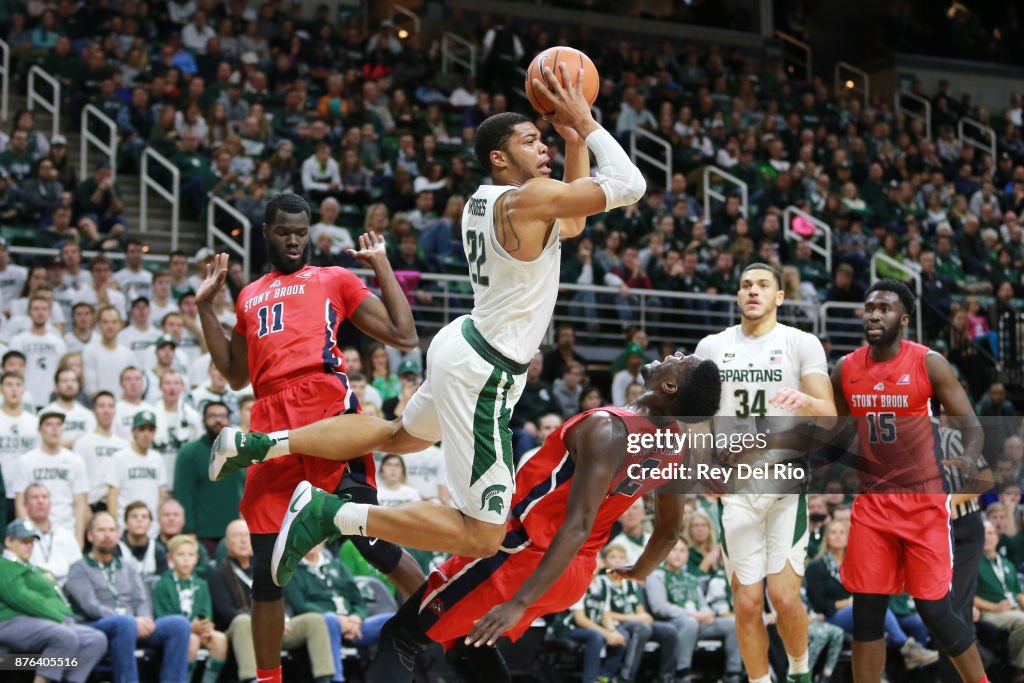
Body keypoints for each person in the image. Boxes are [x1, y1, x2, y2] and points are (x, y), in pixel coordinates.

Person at [214, 67, 647, 590]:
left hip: (462, 343)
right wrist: (587, 121)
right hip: (485, 368)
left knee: (400, 438)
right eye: (531, 141)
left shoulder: (485, 201)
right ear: (499, 157)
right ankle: (333, 514)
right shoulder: (528, 199)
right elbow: (628, 185)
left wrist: (574, 139)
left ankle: (265, 444)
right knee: (485, 534)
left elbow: (573, 219)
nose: (544, 148)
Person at [361, 353, 721, 682]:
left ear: (669, 386)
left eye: (682, 359)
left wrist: (519, 601)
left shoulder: (605, 427)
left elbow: (577, 523)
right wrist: (639, 572)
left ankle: (351, 516)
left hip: (526, 556)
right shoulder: (678, 448)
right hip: (571, 573)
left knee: (402, 636)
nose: (674, 354)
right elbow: (670, 530)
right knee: (469, 643)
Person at [195, 191, 425, 683]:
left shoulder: (335, 279)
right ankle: (268, 679)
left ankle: (445, 628)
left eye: (301, 231)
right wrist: (203, 309)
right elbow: (236, 374)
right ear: (267, 233)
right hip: (269, 417)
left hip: (325, 405)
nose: (295, 240)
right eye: (284, 232)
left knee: (371, 540)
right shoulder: (248, 293)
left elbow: (404, 335)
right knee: (264, 569)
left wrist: (382, 264)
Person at [832, 278, 989, 682]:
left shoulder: (928, 362)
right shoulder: (845, 368)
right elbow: (831, 429)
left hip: (923, 503)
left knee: (935, 610)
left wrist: (967, 460)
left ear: (903, 318)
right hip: (873, 503)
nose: (873, 315)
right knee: (867, 611)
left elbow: (970, 425)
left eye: (883, 308)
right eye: (869, 308)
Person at [694, 262, 836, 683]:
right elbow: (698, 420)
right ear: (738, 295)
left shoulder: (801, 343)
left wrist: (805, 401)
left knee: (784, 598)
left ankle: (799, 673)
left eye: (762, 285)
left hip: (784, 484)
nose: (752, 291)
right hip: (735, 487)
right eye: (745, 285)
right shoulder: (711, 347)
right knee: (747, 604)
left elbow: (829, 415)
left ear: (780, 296)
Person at [65, 511, 192, 683]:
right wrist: (131, 620)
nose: (107, 535)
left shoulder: (127, 567)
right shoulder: (78, 569)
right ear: (90, 536)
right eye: (101, 530)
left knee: (179, 624)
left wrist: (145, 619)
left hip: (133, 624)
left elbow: (141, 599)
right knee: (124, 624)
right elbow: (91, 606)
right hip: (97, 625)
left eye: (111, 530)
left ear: (118, 535)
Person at [208, 519, 336, 683]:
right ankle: (252, 679)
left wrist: (284, 618)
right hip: (242, 631)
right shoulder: (219, 574)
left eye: (247, 536)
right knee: (242, 621)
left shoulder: (267, 567)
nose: (243, 541)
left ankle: (325, 678)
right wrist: (266, 620)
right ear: (227, 543)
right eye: (237, 536)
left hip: (275, 627)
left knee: (314, 620)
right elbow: (228, 613)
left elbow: (286, 600)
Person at [805, 520, 938, 669]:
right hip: (831, 617)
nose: (837, 536)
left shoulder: (855, 563)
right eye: (833, 532)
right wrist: (847, 603)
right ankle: (907, 648)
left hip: (860, 611)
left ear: (848, 537)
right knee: (871, 609)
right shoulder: (816, 567)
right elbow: (818, 604)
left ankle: (912, 666)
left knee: (909, 620)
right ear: (826, 538)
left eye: (842, 532)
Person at [0, 518, 106, 683]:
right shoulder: (4, 565)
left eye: (31, 542)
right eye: (23, 541)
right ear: (9, 541)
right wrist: (57, 617)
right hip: (9, 621)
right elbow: (20, 597)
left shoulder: (33, 569)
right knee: (63, 636)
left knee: (95, 639)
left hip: (37, 621)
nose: (29, 546)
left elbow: (52, 597)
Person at [283, 542, 395, 681]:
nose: (313, 542)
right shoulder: (292, 571)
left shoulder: (337, 566)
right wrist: (338, 619)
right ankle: (336, 678)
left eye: (317, 537)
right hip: (322, 625)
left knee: (394, 620)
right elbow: (300, 605)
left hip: (354, 626)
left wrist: (356, 617)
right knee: (330, 619)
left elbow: (358, 600)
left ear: (324, 540)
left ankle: (397, 676)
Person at [646, 539, 743, 683]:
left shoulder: (690, 578)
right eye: (673, 550)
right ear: (665, 553)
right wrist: (691, 614)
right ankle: (681, 672)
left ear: (687, 556)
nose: (678, 555)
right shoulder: (656, 576)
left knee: (733, 623)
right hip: (672, 623)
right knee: (689, 623)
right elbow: (659, 607)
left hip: (697, 622)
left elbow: (702, 604)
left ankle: (733, 673)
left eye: (682, 551)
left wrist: (706, 613)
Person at [152, 534, 228, 683]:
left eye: (190, 555)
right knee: (191, 640)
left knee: (220, 639)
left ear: (196, 558)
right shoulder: (162, 584)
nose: (186, 559)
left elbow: (206, 612)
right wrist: (190, 627)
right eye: (180, 554)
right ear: (170, 559)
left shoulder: (201, 584)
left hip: (199, 630)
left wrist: (206, 623)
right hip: (177, 634)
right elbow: (163, 615)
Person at [602, 543, 680, 682]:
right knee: (642, 628)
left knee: (669, 630)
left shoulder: (630, 582)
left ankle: (666, 677)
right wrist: (636, 618)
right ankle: (626, 677)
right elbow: (604, 614)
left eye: (621, 557)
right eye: (613, 557)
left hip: (635, 621)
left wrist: (642, 616)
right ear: (604, 561)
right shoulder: (602, 583)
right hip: (616, 624)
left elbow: (640, 610)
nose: (618, 560)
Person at [173, 401, 244, 553]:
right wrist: (188, 530)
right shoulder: (189, 453)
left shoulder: (241, 451)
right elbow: (183, 495)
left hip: (236, 533)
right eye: (212, 416)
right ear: (203, 420)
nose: (217, 420)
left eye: (222, 416)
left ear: (229, 420)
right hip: (201, 535)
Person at [12, 411, 89, 547]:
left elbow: (80, 504)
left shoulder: (76, 461)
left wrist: (79, 538)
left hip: (66, 529)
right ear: (39, 430)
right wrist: (25, 534)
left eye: (59, 425)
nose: (54, 429)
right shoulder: (25, 461)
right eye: (49, 424)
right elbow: (20, 503)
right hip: (34, 532)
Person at [975, 519, 1024, 678]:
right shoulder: (973, 564)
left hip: (1013, 608)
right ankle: (1017, 666)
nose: (987, 537)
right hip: (991, 613)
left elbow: (1018, 593)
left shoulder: (1007, 564)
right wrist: (995, 607)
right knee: (1022, 621)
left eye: (990, 533)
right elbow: (969, 597)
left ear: (997, 537)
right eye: (982, 534)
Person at [106, 410, 168, 521]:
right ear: (133, 431)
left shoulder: (157, 458)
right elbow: (112, 495)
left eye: (150, 430)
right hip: (125, 524)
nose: (146, 434)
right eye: (142, 429)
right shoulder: (119, 457)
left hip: (151, 524)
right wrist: (114, 523)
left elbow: (161, 494)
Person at [8, 295, 66, 409]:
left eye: (44, 309)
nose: (40, 313)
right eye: (36, 309)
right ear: (29, 312)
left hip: (51, 398)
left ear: (49, 312)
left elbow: (62, 372)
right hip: (24, 397)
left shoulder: (59, 343)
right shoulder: (18, 340)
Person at [74, 390, 128, 511]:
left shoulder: (124, 445)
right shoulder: (83, 443)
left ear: (115, 411)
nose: (106, 410)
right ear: (94, 410)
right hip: (92, 505)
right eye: (101, 406)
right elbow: (78, 481)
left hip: (119, 506)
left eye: (110, 406)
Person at [23, 482, 82, 586]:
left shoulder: (65, 535)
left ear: (50, 503)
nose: (40, 501)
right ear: (25, 504)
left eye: (44, 497)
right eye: (35, 497)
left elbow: (78, 568)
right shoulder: (20, 536)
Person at [0, 372, 38, 525]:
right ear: (1, 389)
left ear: (24, 389)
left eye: (18, 385)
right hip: (2, 492)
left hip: (26, 494)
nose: (14, 389)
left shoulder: (35, 422)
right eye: (9, 385)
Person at [82, 305, 135, 398]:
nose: (110, 326)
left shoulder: (128, 354)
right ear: (99, 325)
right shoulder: (89, 351)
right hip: (98, 405)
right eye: (105, 322)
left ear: (120, 325)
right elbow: (90, 385)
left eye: (114, 322)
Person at [42, 367, 95, 446]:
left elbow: (92, 442)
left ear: (78, 385)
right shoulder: (46, 414)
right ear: (56, 387)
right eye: (64, 381)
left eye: (73, 381)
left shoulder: (87, 415)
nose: (69, 385)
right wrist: (70, 444)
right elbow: (42, 445)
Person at [117, 500, 168, 583]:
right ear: (126, 523)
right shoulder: (117, 548)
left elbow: (164, 581)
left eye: (144, 517)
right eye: (134, 516)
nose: (139, 520)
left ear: (150, 523)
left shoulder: (158, 550)